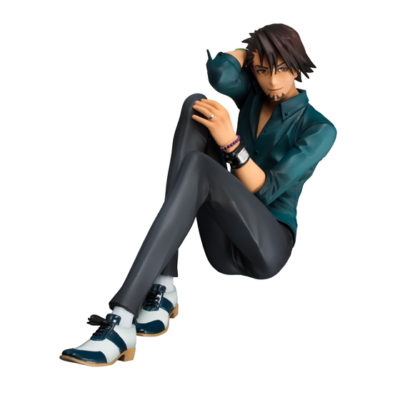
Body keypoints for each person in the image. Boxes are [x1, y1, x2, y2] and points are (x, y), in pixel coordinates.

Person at [60, 23, 337, 367]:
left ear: (296, 66)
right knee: (196, 106)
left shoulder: (319, 128)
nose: (273, 82)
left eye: (282, 69)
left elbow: (266, 190)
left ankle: (122, 318)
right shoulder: (253, 97)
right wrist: (250, 52)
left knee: (202, 165)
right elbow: (220, 74)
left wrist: (232, 145)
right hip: (224, 242)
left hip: (267, 246)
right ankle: (163, 286)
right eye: (263, 70)